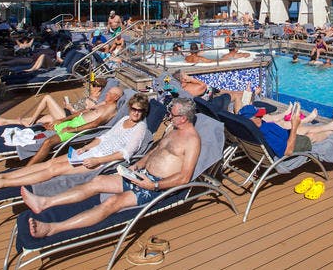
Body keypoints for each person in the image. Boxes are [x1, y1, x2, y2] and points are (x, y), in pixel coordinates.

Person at [22, 98, 201, 239]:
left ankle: (52, 229)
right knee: (97, 181)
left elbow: (184, 177)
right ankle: (44, 202)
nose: (168, 116)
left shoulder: (192, 141)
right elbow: (155, 151)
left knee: (112, 203)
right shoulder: (173, 131)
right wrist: (139, 164)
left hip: (155, 185)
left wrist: (153, 186)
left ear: (183, 118)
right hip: (140, 174)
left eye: (172, 114)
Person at [0, 95, 149, 192]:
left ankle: (1, 183)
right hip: (91, 151)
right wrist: (85, 147)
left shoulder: (140, 128)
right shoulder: (124, 119)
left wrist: (98, 160)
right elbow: (104, 137)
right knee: (50, 162)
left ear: (143, 112)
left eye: (139, 110)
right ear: (129, 108)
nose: (135, 113)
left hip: (101, 160)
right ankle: (3, 176)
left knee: (54, 169)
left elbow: (125, 154)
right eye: (133, 109)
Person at [21, 85, 124, 166]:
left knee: (48, 142)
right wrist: (61, 120)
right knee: (45, 126)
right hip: (72, 122)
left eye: (109, 93)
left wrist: (72, 129)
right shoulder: (103, 103)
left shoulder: (110, 109)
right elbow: (82, 112)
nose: (106, 94)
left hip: (77, 129)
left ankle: (28, 168)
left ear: (116, 97)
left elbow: (94, 124)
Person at [0, 78, 110, 127]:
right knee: (40, 119)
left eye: (94, 85)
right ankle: (5, 121)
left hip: (68, 117)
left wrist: (70, 107)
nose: (91, 86)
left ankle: (31, 120)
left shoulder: (94, 102)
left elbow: (82, 114)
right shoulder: (91, 96)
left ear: (99, 88)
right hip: (66, 112)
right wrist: (68, 105)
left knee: (47, 98)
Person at [239, 103, 333, 157]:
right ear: (252, 119)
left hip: (284, 135)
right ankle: (331, 131)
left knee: (302, 129)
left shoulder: (246, 127)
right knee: (311, 135)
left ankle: (332, 126)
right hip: (289, 143)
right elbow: (287, 151)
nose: (261, 116)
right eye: (258, 116)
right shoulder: (266, 134)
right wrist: (294, 126)